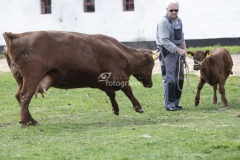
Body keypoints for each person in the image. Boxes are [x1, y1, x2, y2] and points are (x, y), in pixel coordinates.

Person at [156, 1, 186, 111]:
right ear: (167, 9)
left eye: (176, 10)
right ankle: (169, 104)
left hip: (178, 53)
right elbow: (164, 41)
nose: (174, 12)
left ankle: (175, 103)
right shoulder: (164, 22)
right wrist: (178, 50)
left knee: (180, 78)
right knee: (169, 79)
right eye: (171, 10)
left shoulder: (179, 20)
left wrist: (184, 50)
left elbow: (182, 37)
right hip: (167, 54)